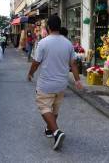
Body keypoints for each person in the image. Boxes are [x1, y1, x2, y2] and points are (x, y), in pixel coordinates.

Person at [27, 15, 83, 151]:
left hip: (46, 84)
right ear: (59, 26)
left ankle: (57, 132)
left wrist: (30, 73)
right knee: (55, 108)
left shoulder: (43, 43)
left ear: (48, 27)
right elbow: (73, 64)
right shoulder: (68, 43)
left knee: (44, 107)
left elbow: (36, 62)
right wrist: (77, 80)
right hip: (61, 85)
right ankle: (49, 129)